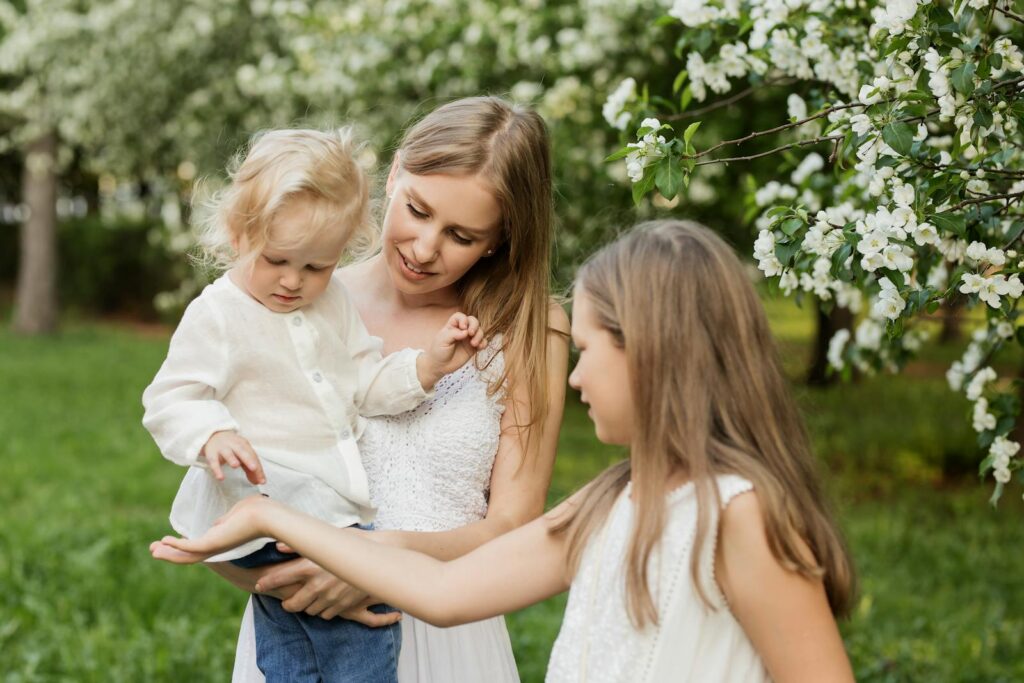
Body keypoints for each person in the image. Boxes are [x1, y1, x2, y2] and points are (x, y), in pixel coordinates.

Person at [154, 219, 858, 682]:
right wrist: (273, 518)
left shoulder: (742, 515)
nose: (575, 375)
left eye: (589, 351)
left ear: (658, 355)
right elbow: (445, 592)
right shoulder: (613, 500)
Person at [184, 97, 569, 682]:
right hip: (307, 619)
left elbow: (513, 527)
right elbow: (230, 500)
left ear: (500, 239)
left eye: (461, 235)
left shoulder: (530, 328)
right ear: (392, 175)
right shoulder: (297, 302)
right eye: (416, 210)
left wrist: (373, 561)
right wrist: (302, 581)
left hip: (451, 634)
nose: (423, 249)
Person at [142, 127, 486, 683]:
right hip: (269, 505)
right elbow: (171, 396)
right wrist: (211, 435)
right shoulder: (219, 315)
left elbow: (366, 385)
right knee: (365, 635)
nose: (293, 281)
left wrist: (426, 367)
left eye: (316, 267)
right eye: (278, 259)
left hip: (318, 509)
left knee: (292, 648)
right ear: (237, 233)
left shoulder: (333, 304)